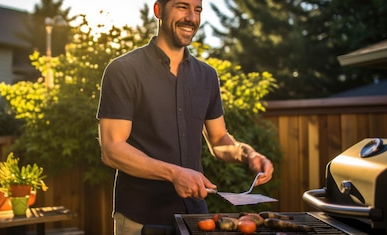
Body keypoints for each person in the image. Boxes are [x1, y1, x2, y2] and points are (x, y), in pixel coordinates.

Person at [96, 0, 274, 234]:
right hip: (140, 218)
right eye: (182, 6)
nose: (191, 17)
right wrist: (174, 174)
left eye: (197, 9)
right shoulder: (123, 70)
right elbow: (112, 150)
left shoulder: (207, 76)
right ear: (158, 10)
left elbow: (219, 140)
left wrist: (248, 154)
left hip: (196, 217)